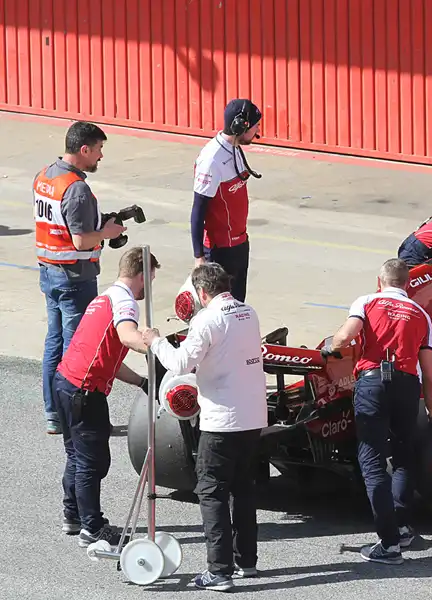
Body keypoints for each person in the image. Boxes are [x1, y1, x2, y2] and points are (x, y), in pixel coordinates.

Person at [142, 262, 267, 592]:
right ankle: (246, 561)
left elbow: (181, 363)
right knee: (243, 489)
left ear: (201, 292)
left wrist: (155, 341)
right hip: (252, 417)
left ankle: (219, 571)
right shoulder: (248, 312)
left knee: (211, 492)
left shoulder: (206, 319)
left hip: (221, 420)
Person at [327, 258, 432, 565]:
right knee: (404, 456)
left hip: (373, 383)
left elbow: (344, 338)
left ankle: (389, 545)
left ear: (380, 281)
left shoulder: (367, 301)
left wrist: (332, 348)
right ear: (407, 283)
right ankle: (402, 528)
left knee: (372, 462)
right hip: (407, 386)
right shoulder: (420, 314)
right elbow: (429, 372)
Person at [52, 247, 156, 546]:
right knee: (92, 461)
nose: (149, 288)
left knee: (76, 455)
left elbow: (108, 359)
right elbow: (127, 337)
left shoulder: (105, 298)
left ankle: (73, 515)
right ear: (141, 275)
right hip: (84, 391)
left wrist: (141, 382)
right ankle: (93, 527)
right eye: (150, 280)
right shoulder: (125, 302)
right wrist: (155, 344)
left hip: (66, 382)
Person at [35, 121, 128, 435]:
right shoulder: (77, 189)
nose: (100, 156)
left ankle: (54, 414)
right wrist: (107, 233)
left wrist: (97, 223)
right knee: (77, 349)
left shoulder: (45, 176)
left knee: (55, 342)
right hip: (74, 279)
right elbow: (80, 241)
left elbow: (60, 223)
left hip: (49, 272)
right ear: (84, 149)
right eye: (99, 149)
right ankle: (74, 418)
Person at [191, 98, 264, 302]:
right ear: (241, 126)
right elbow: (198, 210)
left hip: (239, 244)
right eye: (255, 125)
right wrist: (199, 256)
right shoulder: (211, 160)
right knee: (220, 310)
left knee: (237, 305)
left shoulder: (234, 148)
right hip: (219, 251)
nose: (258, 131)